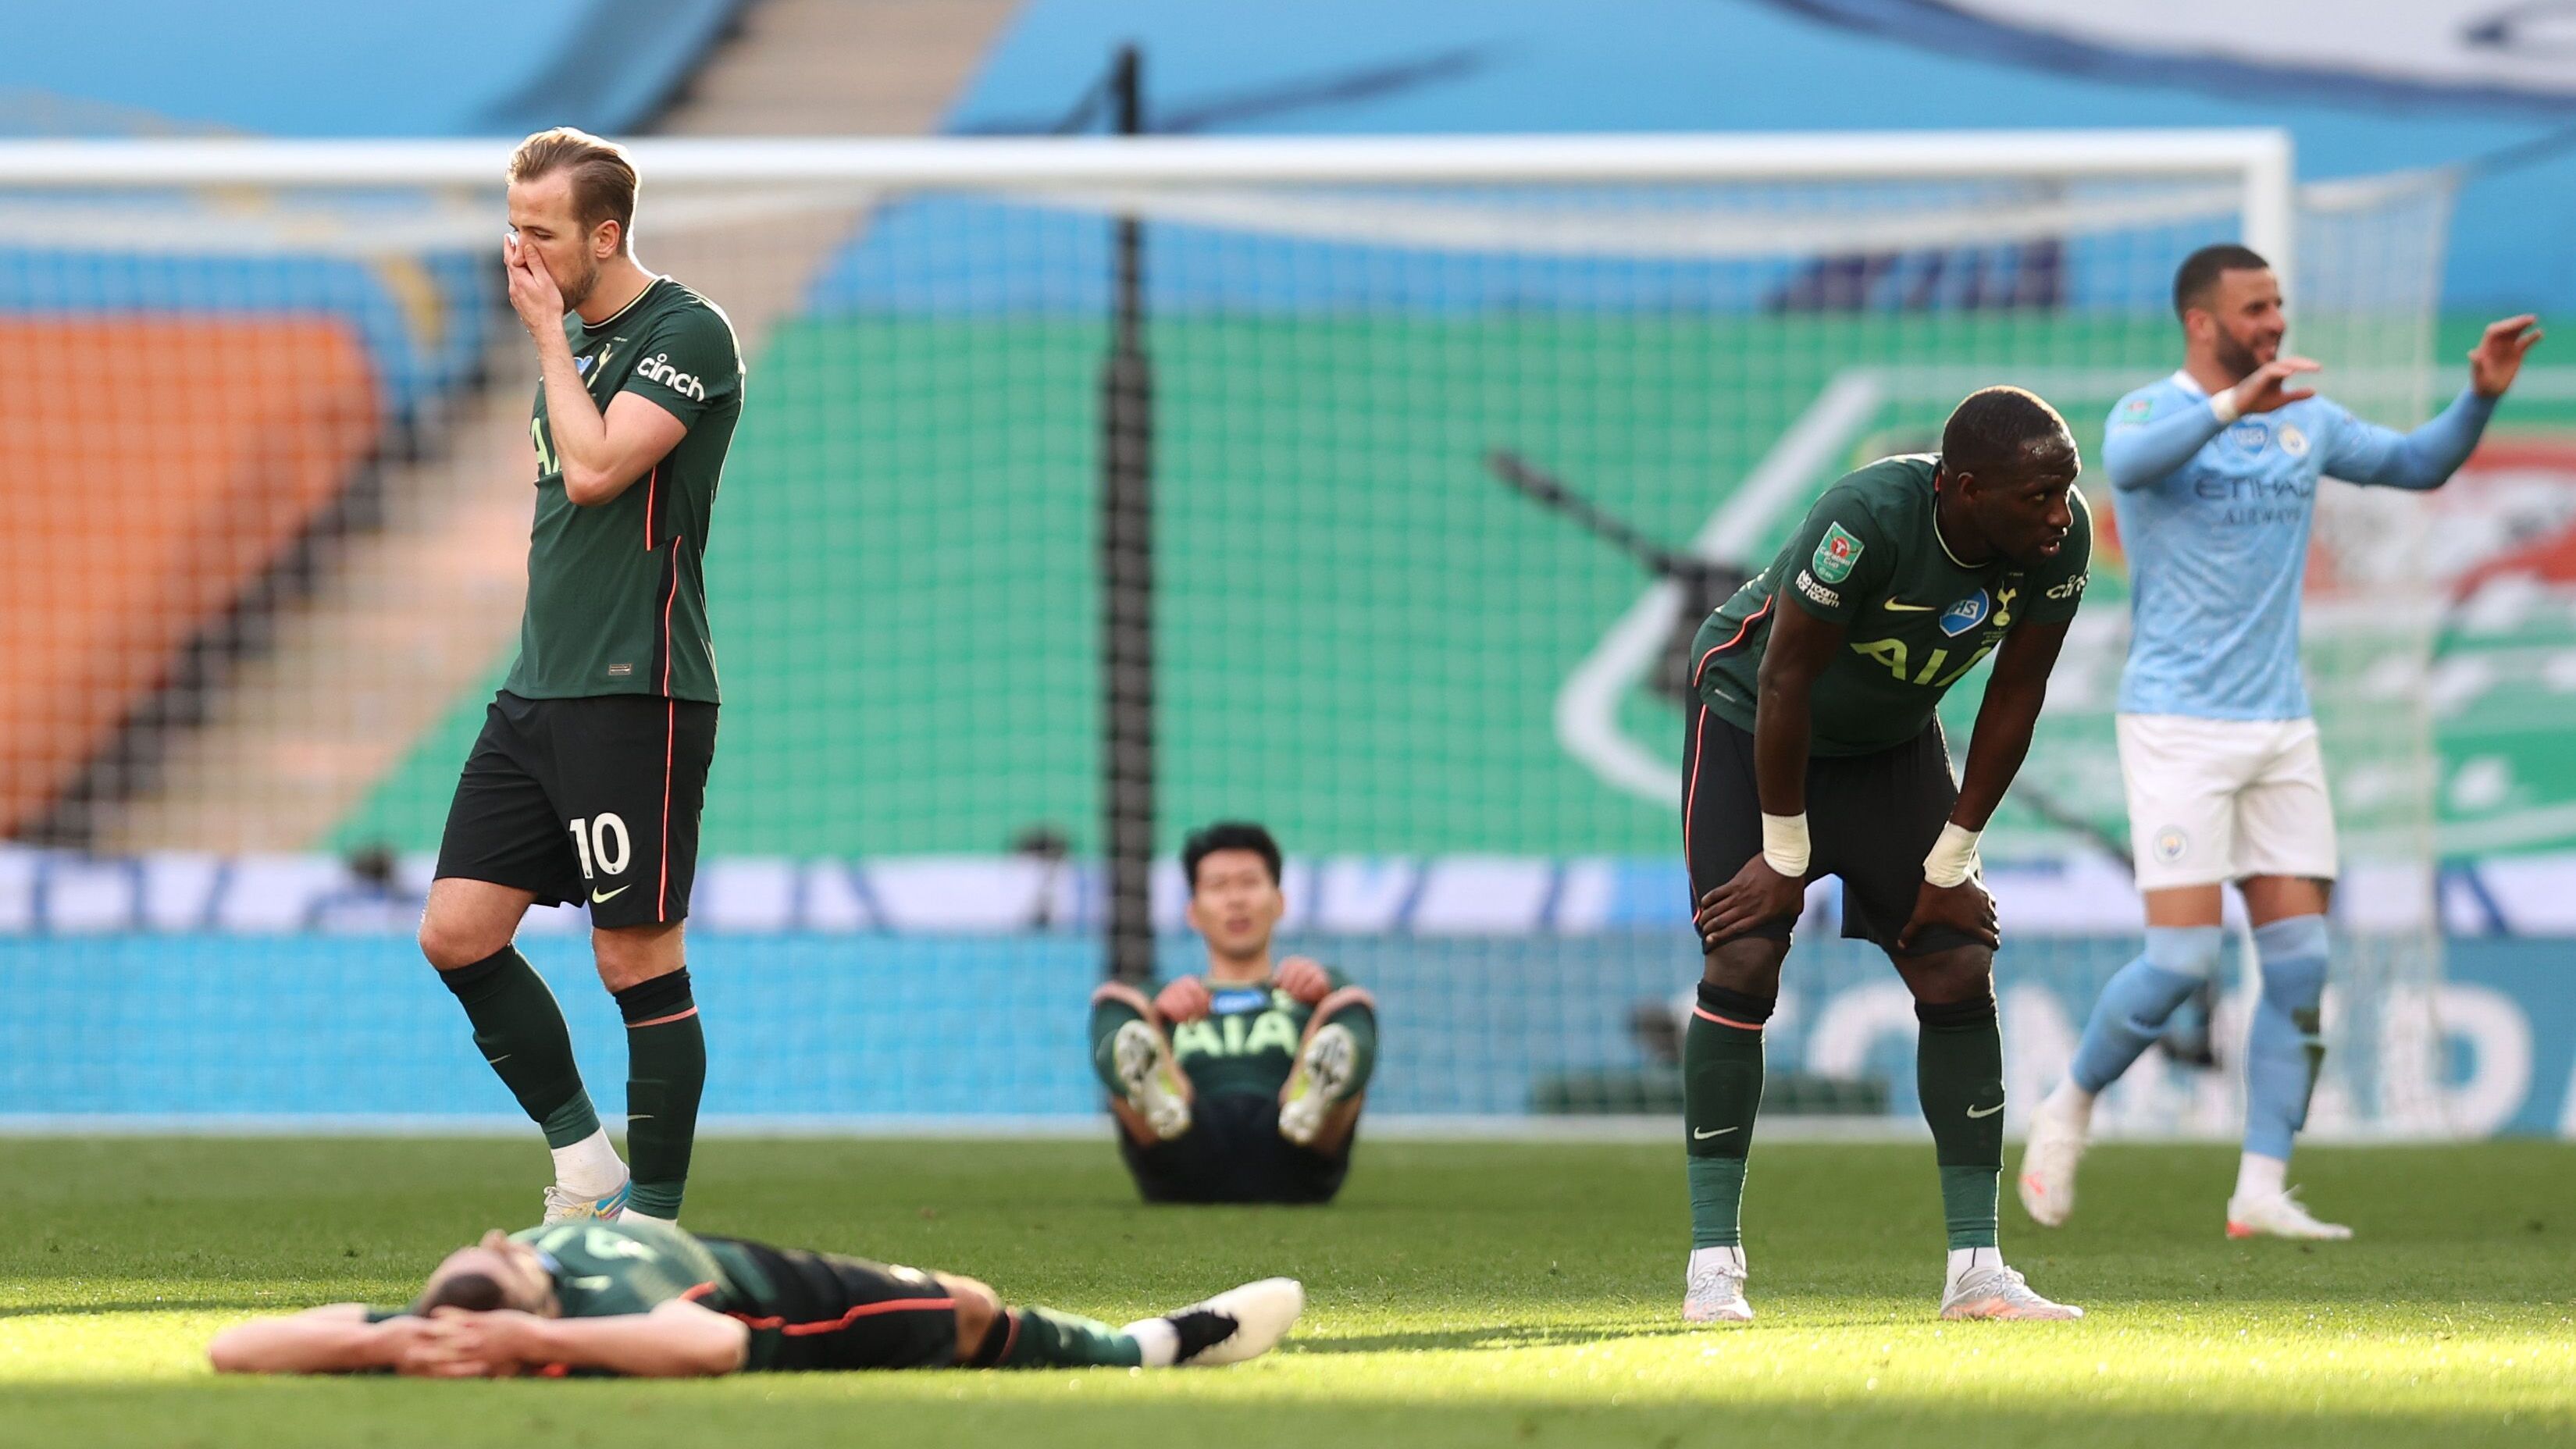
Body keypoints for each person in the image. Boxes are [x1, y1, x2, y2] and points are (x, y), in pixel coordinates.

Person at [2020, 246, 2541, 1240]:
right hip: (2176, 725)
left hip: (2280, 728)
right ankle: (2069, 1103)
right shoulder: (2150, 412)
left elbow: (2417, 464)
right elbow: (2126, 466)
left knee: (2299, 966)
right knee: (2178, 960)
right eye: (2253, 308)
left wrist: (2477, 395)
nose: (2273, 322)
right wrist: (2230, 407)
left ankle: (2259, 1188)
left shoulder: (2304, 420)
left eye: (2277, 304)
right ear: (2200, 322)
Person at [1682, 387, 2093, 1324]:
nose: (2058, 513)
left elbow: (2014, 697)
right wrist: (1782, 854)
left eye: (2064, 489)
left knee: (1955, 961)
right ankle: (1712, 1266)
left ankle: (1977, 1271)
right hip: (1753, 721)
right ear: (1963, 488)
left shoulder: (2056, 543)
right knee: (1742, 953)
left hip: (1890, 745)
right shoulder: (1863, 519)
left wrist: (1950, 862)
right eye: (2036, 495)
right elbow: (1784, 678)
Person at [415, 127, 746, 1226]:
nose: (519, 254)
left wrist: (548, 340)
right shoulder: (575, 342)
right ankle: (587, 1165)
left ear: (605, 236)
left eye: (542, 232)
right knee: (457, 931)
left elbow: (600, 469)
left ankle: (652, 1224)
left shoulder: (685, 331)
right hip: (538, 688)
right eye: (511, 228)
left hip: (634, 689)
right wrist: (557, 341)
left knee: (633, 956)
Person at [205, 1216, 1299, 1377]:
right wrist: (384, 1343)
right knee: (967, 1308)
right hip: (766, 1289)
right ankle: (1148, 1347)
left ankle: (1137, 1343)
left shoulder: (520, 1285)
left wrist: (509, 1331)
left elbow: (237, 1347)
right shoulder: (565, 1297)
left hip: (736, 1257)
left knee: (971, 1302)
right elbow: (236, 1346)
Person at [1089, 822, 1378, 1204]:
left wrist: (1326, 993)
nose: (1236, 900)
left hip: (1295, 1149)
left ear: (1279, 902)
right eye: (1218, 886)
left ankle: (1310, 1089)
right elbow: (1123, 1006)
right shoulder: (1163, 1000)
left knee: (1351, 1003)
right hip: (1183, 1146)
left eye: (1249, 883)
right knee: (1116, 1003)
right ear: (1193, 911)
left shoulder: (1313, 991)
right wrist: (1156, 1017)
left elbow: (1350, 1006)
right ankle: (1159, 1086)